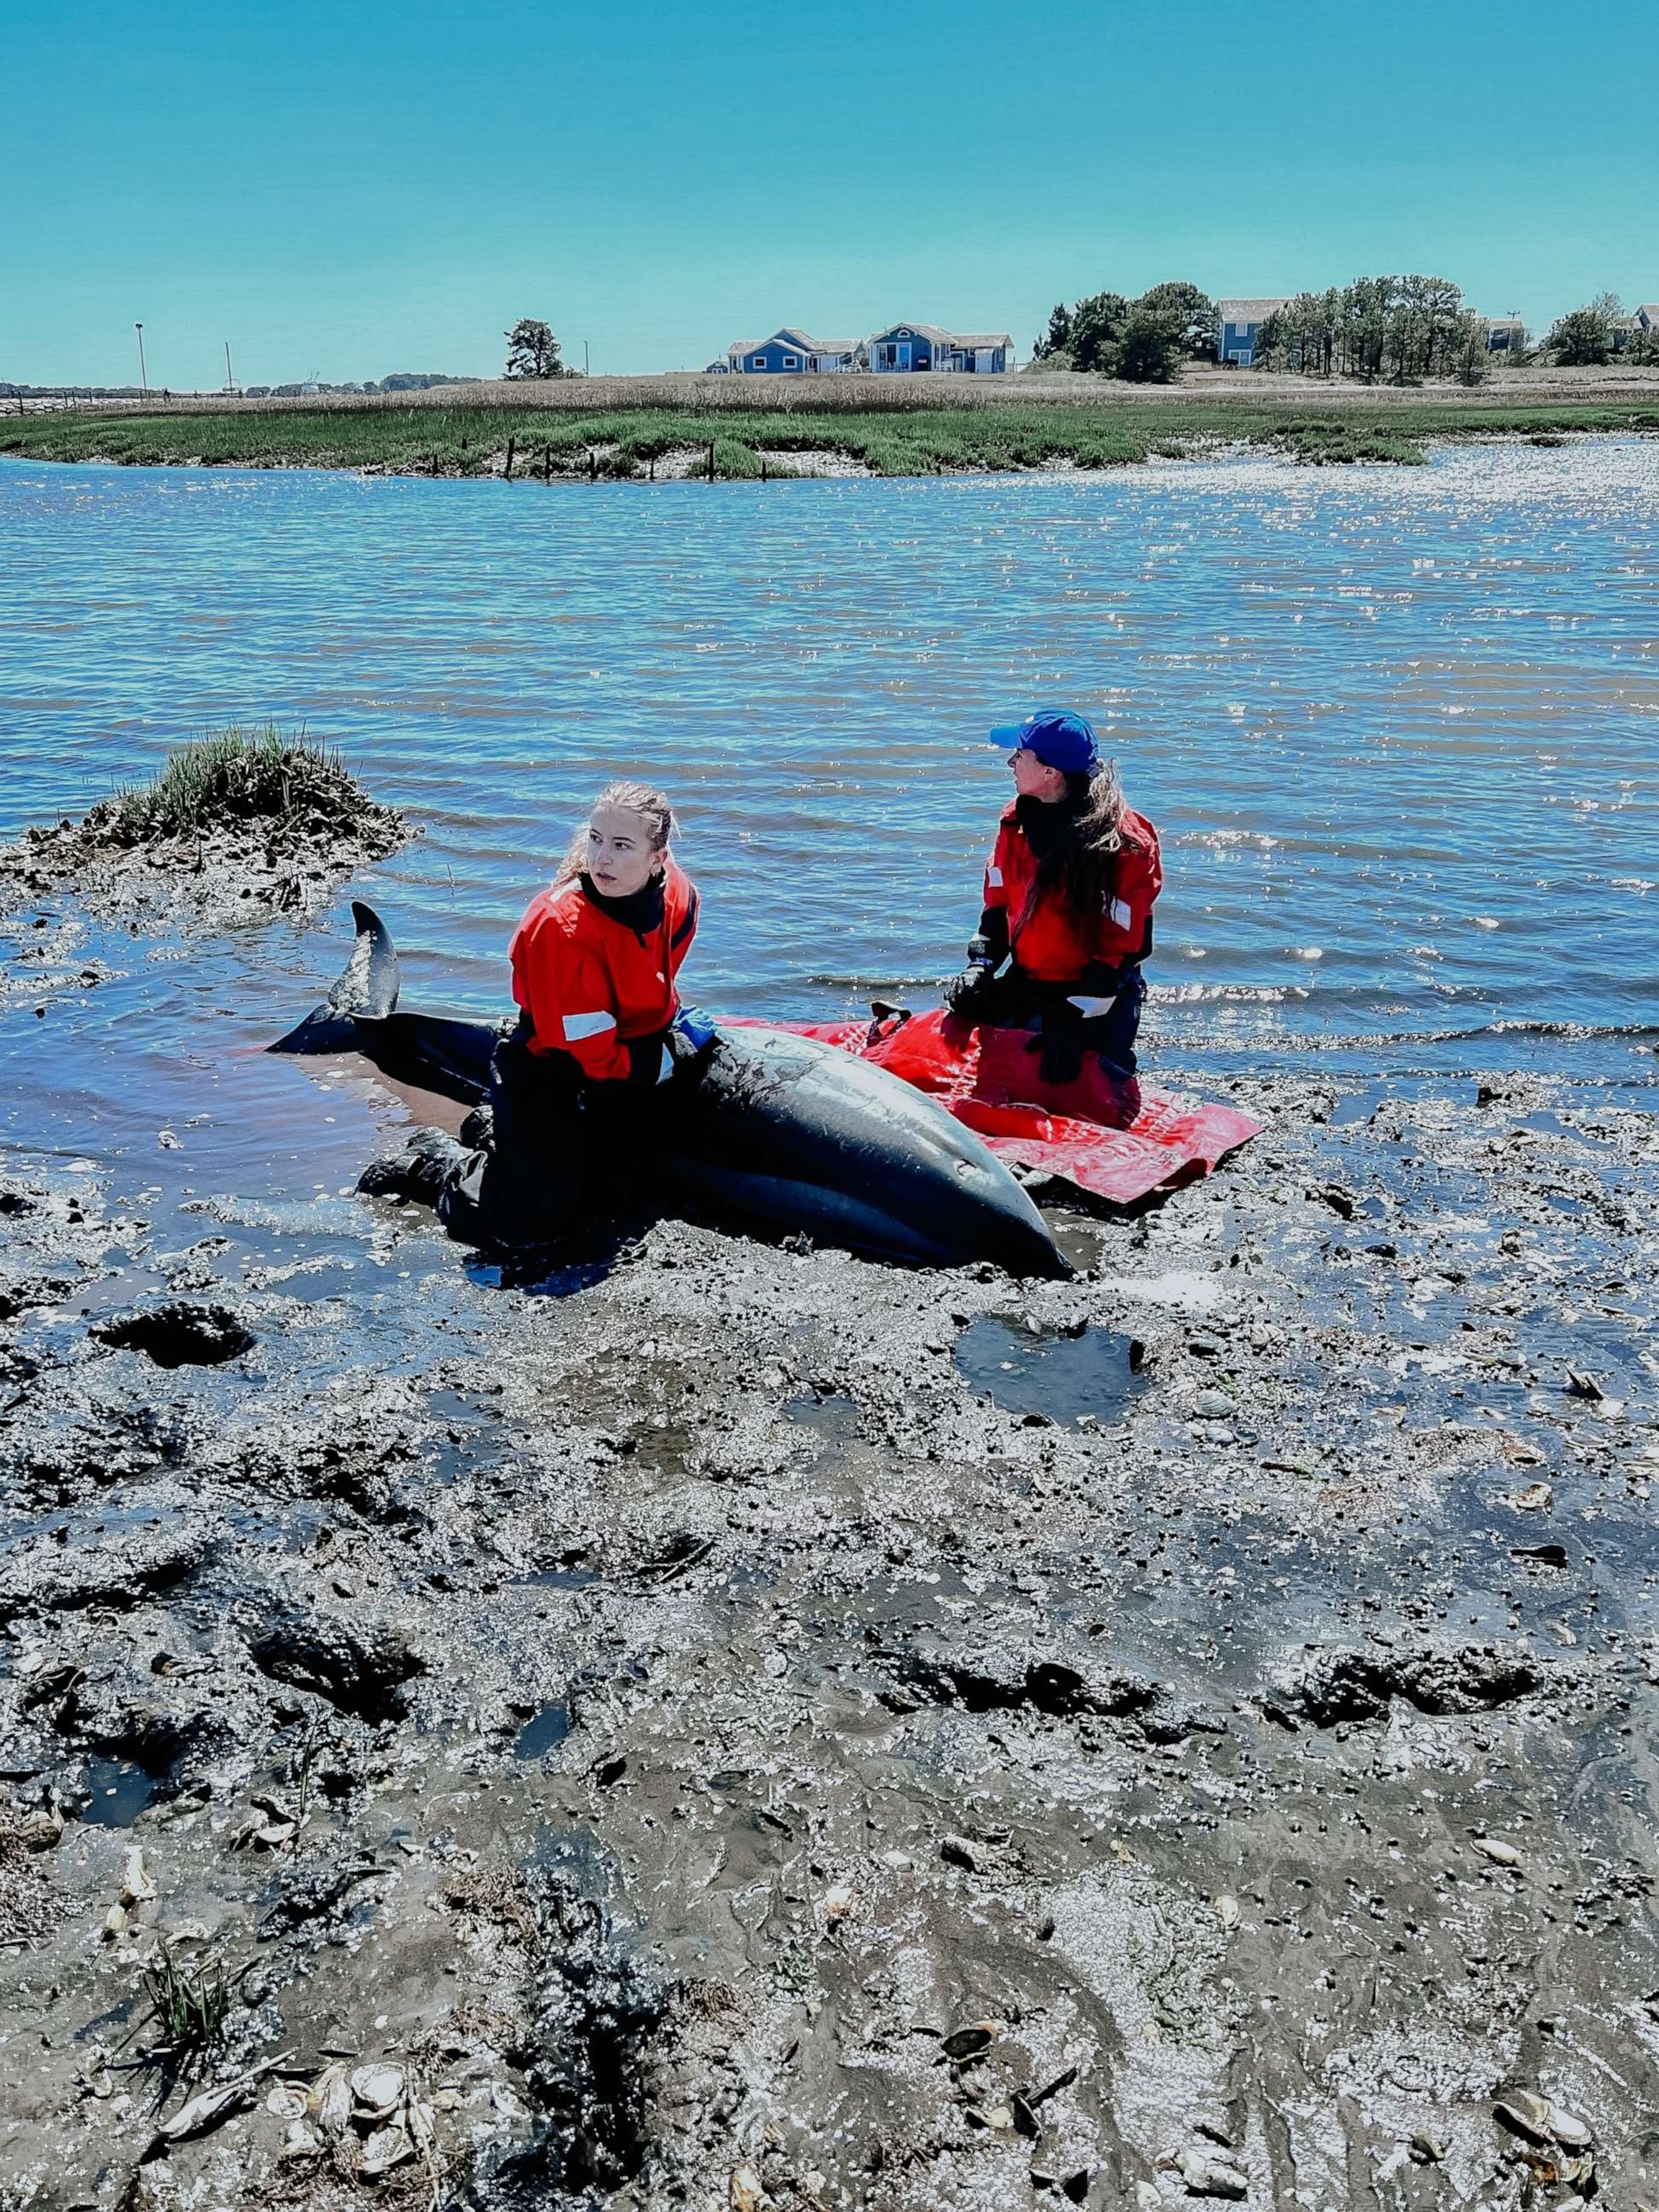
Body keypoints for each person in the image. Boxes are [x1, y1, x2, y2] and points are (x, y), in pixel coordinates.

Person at [416, 780, 713, 1246]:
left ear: (658, 858)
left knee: (631, 1188)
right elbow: (588, 1050)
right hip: (552, 1062)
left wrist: (667, 1028)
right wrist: (652, 1066)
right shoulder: (559, 929)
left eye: (621, 845)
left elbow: (662, 967)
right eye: (595, 839)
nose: (602, 859)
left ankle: (499, 1132)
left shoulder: (679, 894)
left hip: (629, 1041)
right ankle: (438, 1163)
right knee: (531, 1227)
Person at [941, 710, 1161, 1089]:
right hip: (1031, 978)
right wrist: (980, 966)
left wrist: (1078, 1018)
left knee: (1077, 1083)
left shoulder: (1125, 844)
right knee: (963, 1030)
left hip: (1095, 989)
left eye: (1020, 755)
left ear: (1050, 772)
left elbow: (1124, 949)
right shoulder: (1015, 822)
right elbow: (997, 906)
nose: (1010, 763)